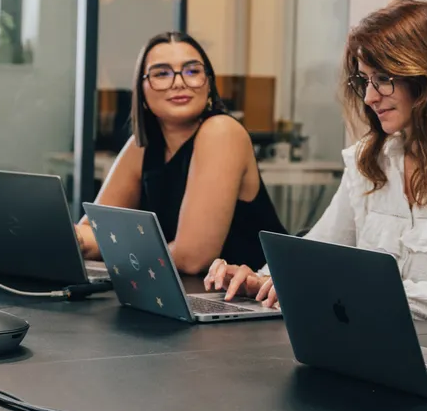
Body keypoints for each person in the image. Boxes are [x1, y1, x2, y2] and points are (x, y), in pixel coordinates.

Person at [204, 0, 427, 329]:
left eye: (383, 79)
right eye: (364, 81)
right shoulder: (369, 161)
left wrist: (337, 289)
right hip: (379, 346)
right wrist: (257, 278)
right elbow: (313, 253)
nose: (369, 97)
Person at [75, 32, 286, 273]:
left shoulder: (221, 131)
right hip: (187, 296)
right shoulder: (141, 145)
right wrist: (69, 237)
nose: (178, 82)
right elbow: (95, 229)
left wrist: (109, 246)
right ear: (141, 90)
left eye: (192, 71)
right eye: (161, 74)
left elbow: (192, 258)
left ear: (209, 83)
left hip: (255, 301)